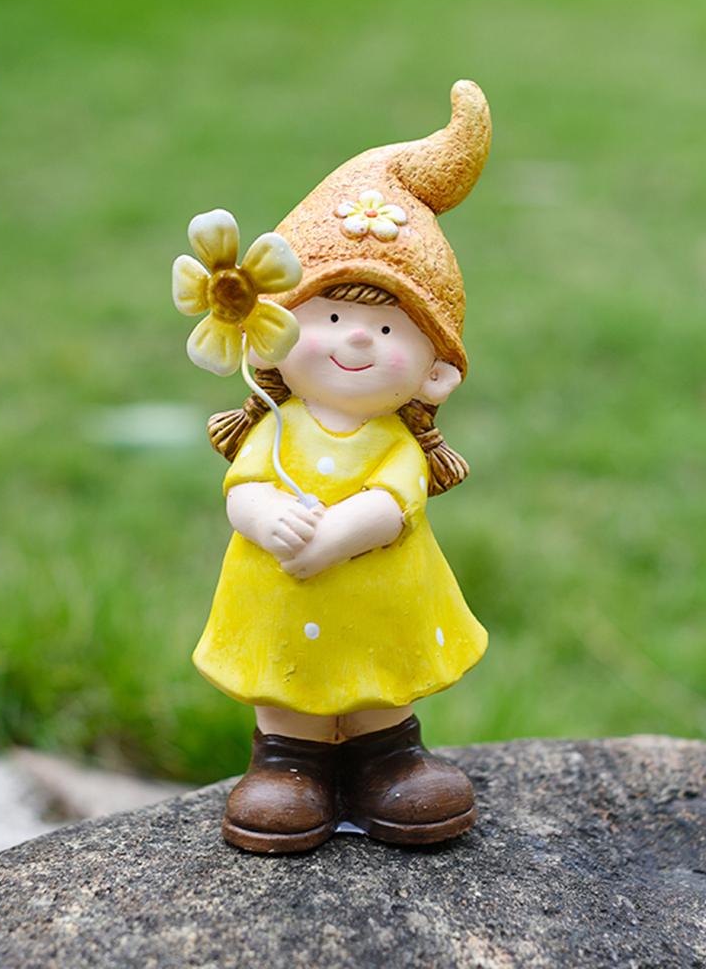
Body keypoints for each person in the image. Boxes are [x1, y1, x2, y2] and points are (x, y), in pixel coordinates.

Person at [190, 81, 492, 853]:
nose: (354, 342)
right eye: (329, 317)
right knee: (287, 689)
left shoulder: (393, 442)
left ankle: (387, 763)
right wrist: (263, 516)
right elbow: (244, 489)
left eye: (387, 326)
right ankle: (286, 766)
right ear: (272, 333)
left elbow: (395, 502)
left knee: (376, 688)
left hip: (375, 601)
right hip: (282, 604)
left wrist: (337, 536)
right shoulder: (277, 426)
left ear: (436, 375)